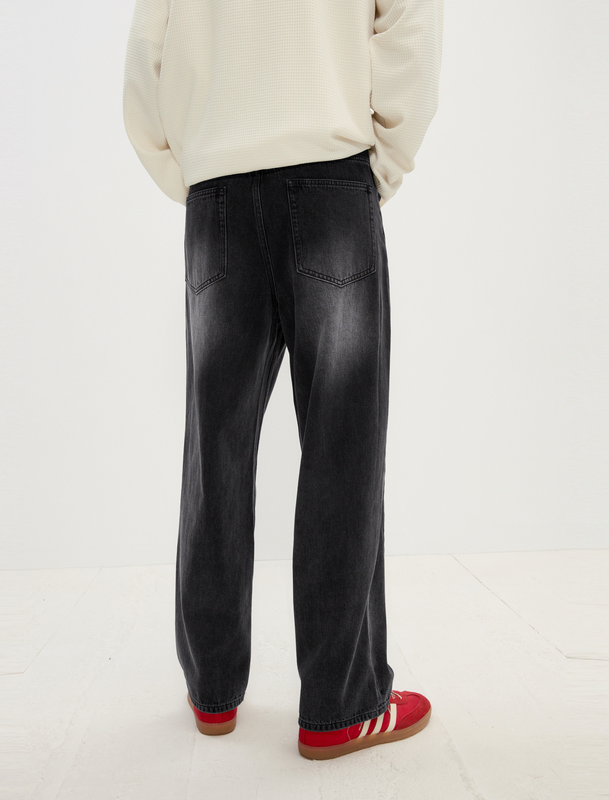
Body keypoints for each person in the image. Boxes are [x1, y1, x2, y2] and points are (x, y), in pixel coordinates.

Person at [122, 0, 444, 760]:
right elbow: (410, 26)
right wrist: (379, 165)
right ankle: (340, 705)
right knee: (343, 446)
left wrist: (194, 170)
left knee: (216, 445)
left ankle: (211, 688)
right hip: (330, 175)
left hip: (218, 192)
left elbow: (146, 52)